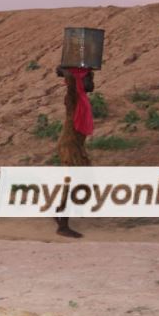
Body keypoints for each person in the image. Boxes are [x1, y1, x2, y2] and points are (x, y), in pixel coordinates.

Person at [55, 66, 94, 238]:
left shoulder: (81, 97)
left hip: (76, 145)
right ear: (79, 80)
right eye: (88, 79)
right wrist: (65, 70)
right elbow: (69, 77)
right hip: (70, 146)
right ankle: (62, 225)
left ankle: (60, 213)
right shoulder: (74, 96)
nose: (91, 83)